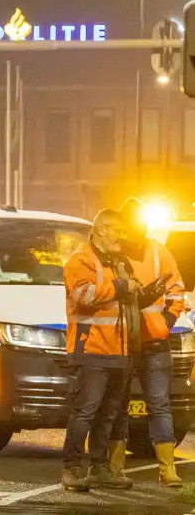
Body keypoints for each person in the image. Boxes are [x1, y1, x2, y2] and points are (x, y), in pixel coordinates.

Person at [108, 198, 185, 487]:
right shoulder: (111, 255)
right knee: (118, 405)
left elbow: (177, 291)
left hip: (153, 343)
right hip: (123, 342)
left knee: (158, 405)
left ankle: (167, 470)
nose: (137, 230)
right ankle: (115, 469)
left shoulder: (157, 251)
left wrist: (165, 322)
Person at [60, 209, 135, 491]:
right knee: (86, 412)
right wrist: (119, 286)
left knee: (109, 413)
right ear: (102, 229)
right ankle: (73, 470)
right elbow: (83, 297)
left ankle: (100, 468)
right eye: (119, 230)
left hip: (117, 350)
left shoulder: (116, 262)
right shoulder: (80, 261)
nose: (123, 236)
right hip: (90, 349)